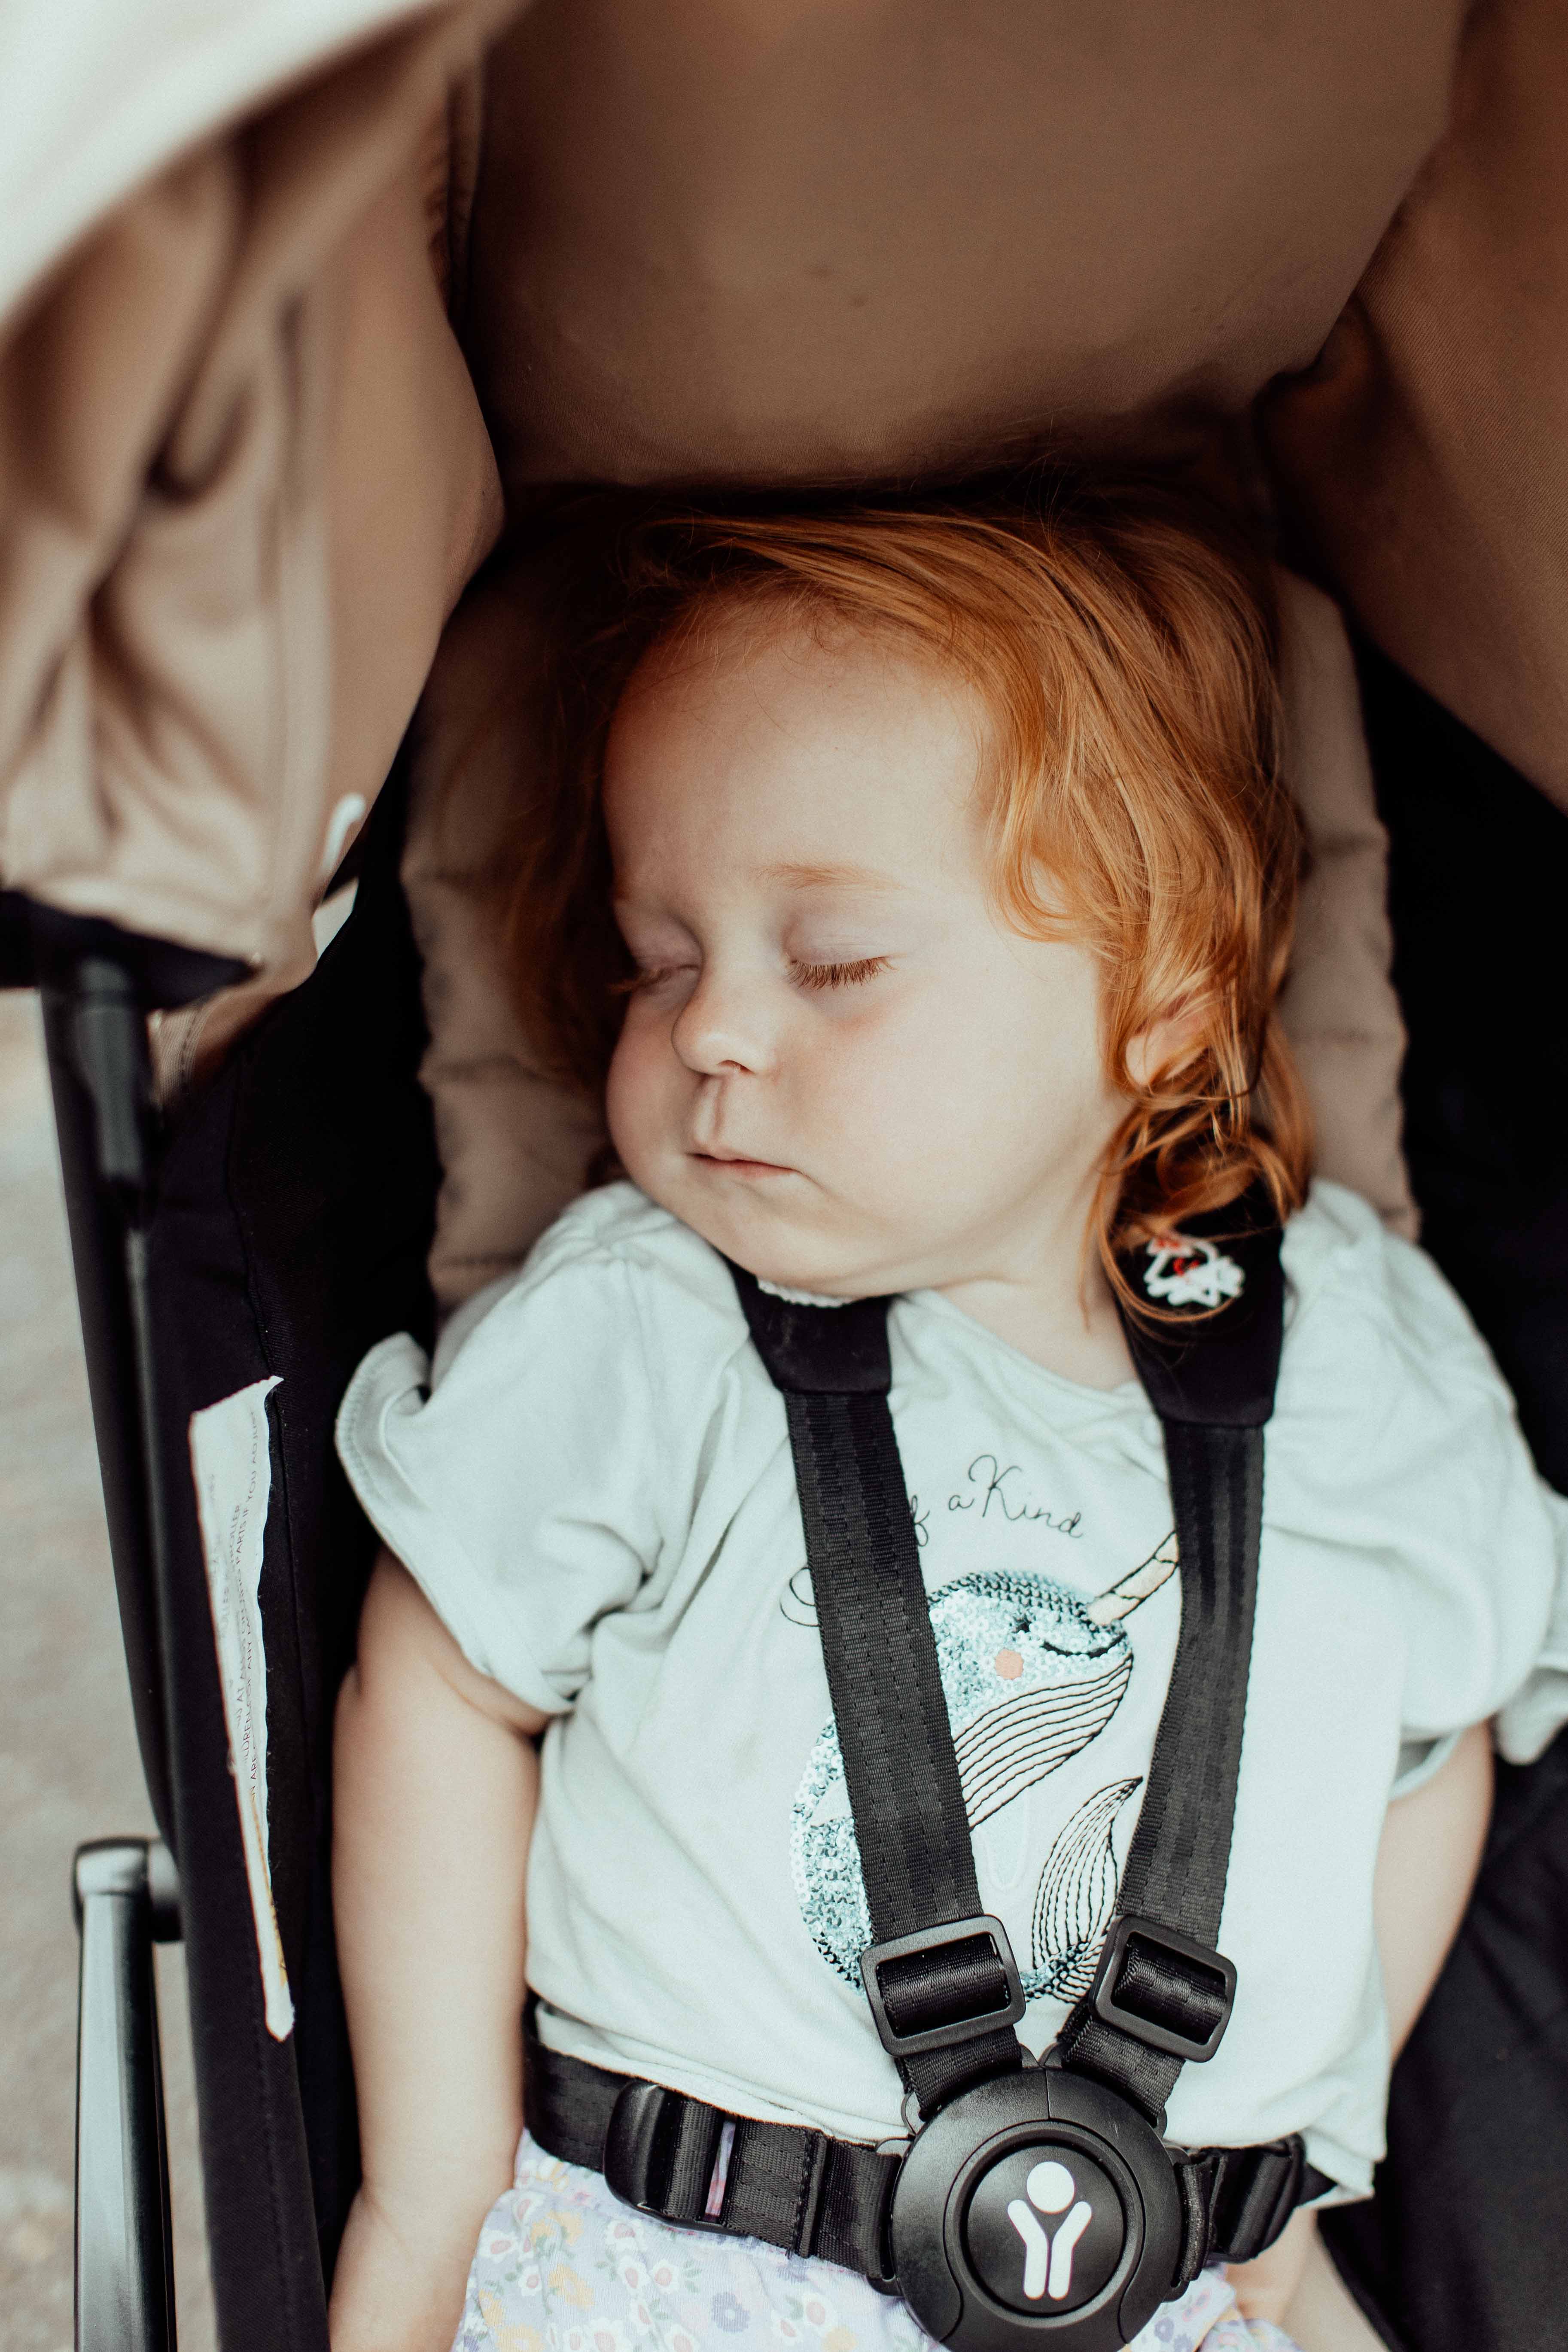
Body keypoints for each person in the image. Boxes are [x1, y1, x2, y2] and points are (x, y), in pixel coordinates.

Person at [325, 482, 1565, 2352]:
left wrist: (1294, 2160)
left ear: (1158, 1005)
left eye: (833, 963)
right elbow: (443, 1672)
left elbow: (1432, 1730)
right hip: (692, 2263)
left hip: (1153, 2275)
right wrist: (432, 2180)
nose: (711, 1031)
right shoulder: (647, 1319)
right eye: (661, 960)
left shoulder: (1344, 1354)